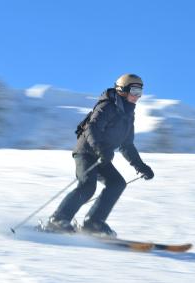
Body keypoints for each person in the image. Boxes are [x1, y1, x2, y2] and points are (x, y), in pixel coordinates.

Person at [44, 74, 154, 236]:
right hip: (86, 152)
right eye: (135, 90)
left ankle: (93, 222)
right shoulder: (107, 106)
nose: (138, 96)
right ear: (122, 90)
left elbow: (127, 145)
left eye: (140, 92)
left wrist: (141, 166)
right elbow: (92, 128)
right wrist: (100, 149)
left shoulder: (129, 116)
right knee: (88, 186)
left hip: (102, 155)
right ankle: (58, 219)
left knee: (117, 183)